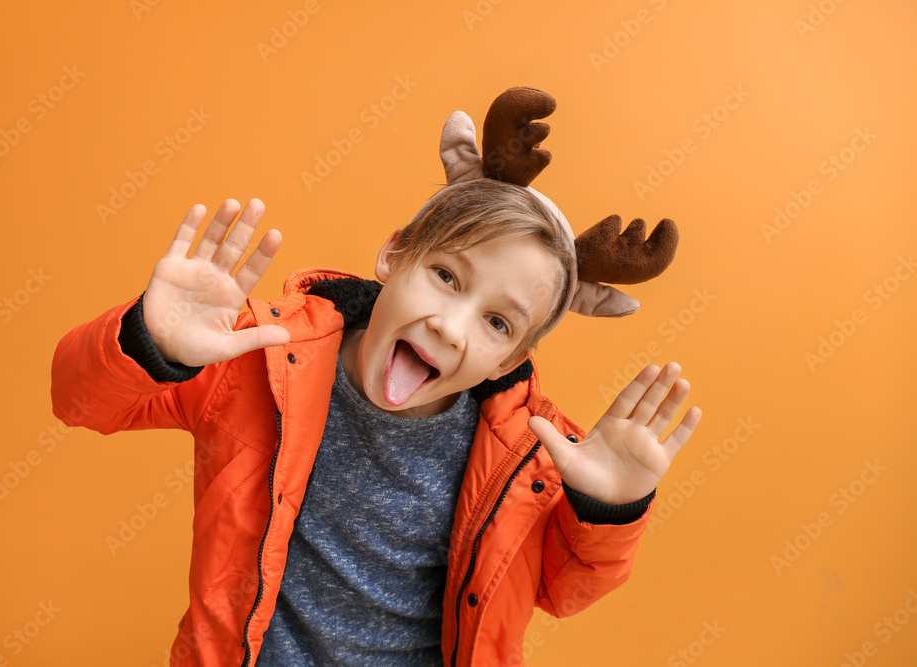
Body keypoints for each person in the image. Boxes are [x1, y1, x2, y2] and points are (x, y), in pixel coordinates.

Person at [50, 89, 700, 667]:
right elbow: (79, 400)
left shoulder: (530, 452)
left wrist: (609, 508)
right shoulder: (259, 354)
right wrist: (148, 339)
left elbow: (566, 589)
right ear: (394, 254)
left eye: (499, 323)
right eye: (447, 276)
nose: (450, 327)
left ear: (508, 360)